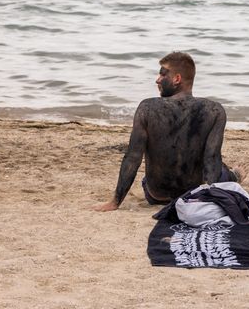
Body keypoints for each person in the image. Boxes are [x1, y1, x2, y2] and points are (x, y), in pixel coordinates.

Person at [93, 51, 238, 212]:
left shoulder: (146, 108)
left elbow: (133, 157)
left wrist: (115, 202)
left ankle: (233, 175)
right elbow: (211, 161)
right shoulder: (214, 111)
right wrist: (211, 202)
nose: (157, 79)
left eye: (163, 74)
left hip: (155, 195)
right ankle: (235, 176)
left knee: (146, 178)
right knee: (222, 168)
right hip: (192, 195)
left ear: (177, 79)